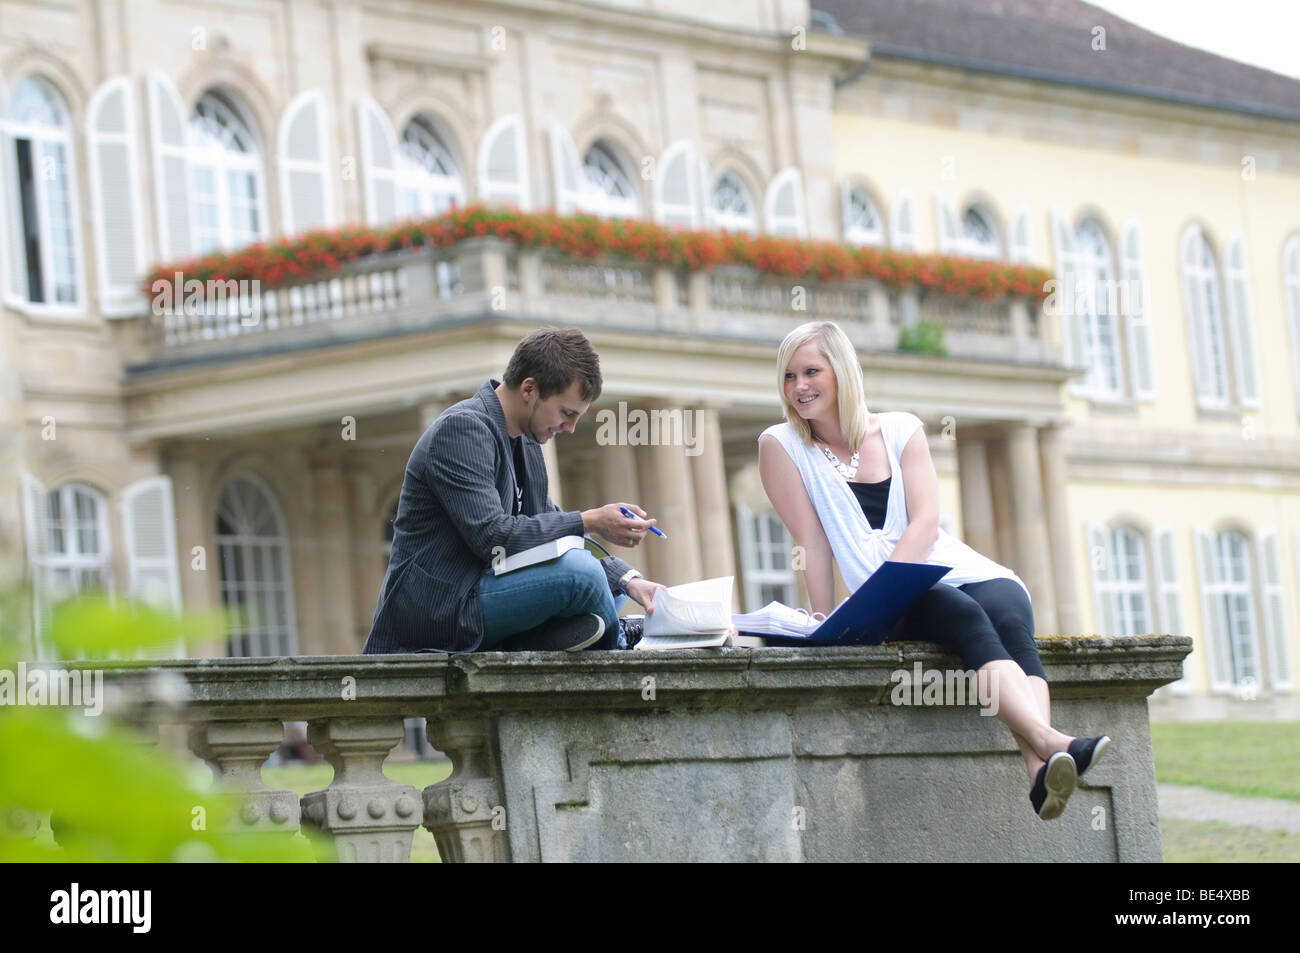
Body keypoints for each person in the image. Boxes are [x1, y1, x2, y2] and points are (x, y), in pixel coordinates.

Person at [757, 320, 1110, 820]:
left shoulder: (902, 429)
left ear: (842, 372)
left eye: (811, 371)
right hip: (883, 597)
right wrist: (823, 617)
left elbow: (925, 521)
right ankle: (1051, 742)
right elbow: (811, 543)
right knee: (962, 614)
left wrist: (901, 577)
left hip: (938, 563)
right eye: (789, 377)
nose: (799, 387)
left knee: (1010, 607)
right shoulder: (781, 445)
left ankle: (1040, 769)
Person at [363, 326, 666, 655]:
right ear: (530, 389)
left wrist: (628, 580)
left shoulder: (526, 441)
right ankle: (620, 649)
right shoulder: (462, 429)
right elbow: (493, 537)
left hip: (486, 594)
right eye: (566, 413)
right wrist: (590, 519)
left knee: (611, 587)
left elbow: (548, 524)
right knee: (583, 576)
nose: (570, 428)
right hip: (440, 610)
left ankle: (544, 638)